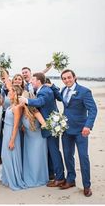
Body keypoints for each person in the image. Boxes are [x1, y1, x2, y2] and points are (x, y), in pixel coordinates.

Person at [55, 69, 97, 197]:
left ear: (74, 77)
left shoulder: (84, 91)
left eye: (69, 77)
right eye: (64, 78)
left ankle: (86, 186)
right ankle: (71, 180)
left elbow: (93, 110)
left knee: (83, 157)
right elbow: (61, 100)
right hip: (66, 129)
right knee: (68, 155)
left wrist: (88, 126)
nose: (67, 80)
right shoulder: (63, 90)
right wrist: (51, 86)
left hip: (81, 131)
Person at [19, 72, 65, 187]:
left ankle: (59, 178)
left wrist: (26, 100)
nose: (31, 82)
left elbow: (40, 102)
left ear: (38, 81)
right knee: (51, 152)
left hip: (51, 126)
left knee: (54, 152)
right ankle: (53, 174)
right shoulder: (41, 90)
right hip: (50, 125)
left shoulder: (45, 91)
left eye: (33, 80)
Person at [1, 85, 27, 191]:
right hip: (6, 131)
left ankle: (14, 179)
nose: (8, 92)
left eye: (11, 91)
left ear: (15, 93)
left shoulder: (17, 108)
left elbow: (16, 125)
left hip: (12, 133)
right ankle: (7, 178)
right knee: (5, 156)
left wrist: (12, 140)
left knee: (10, 156)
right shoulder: (11, 105)